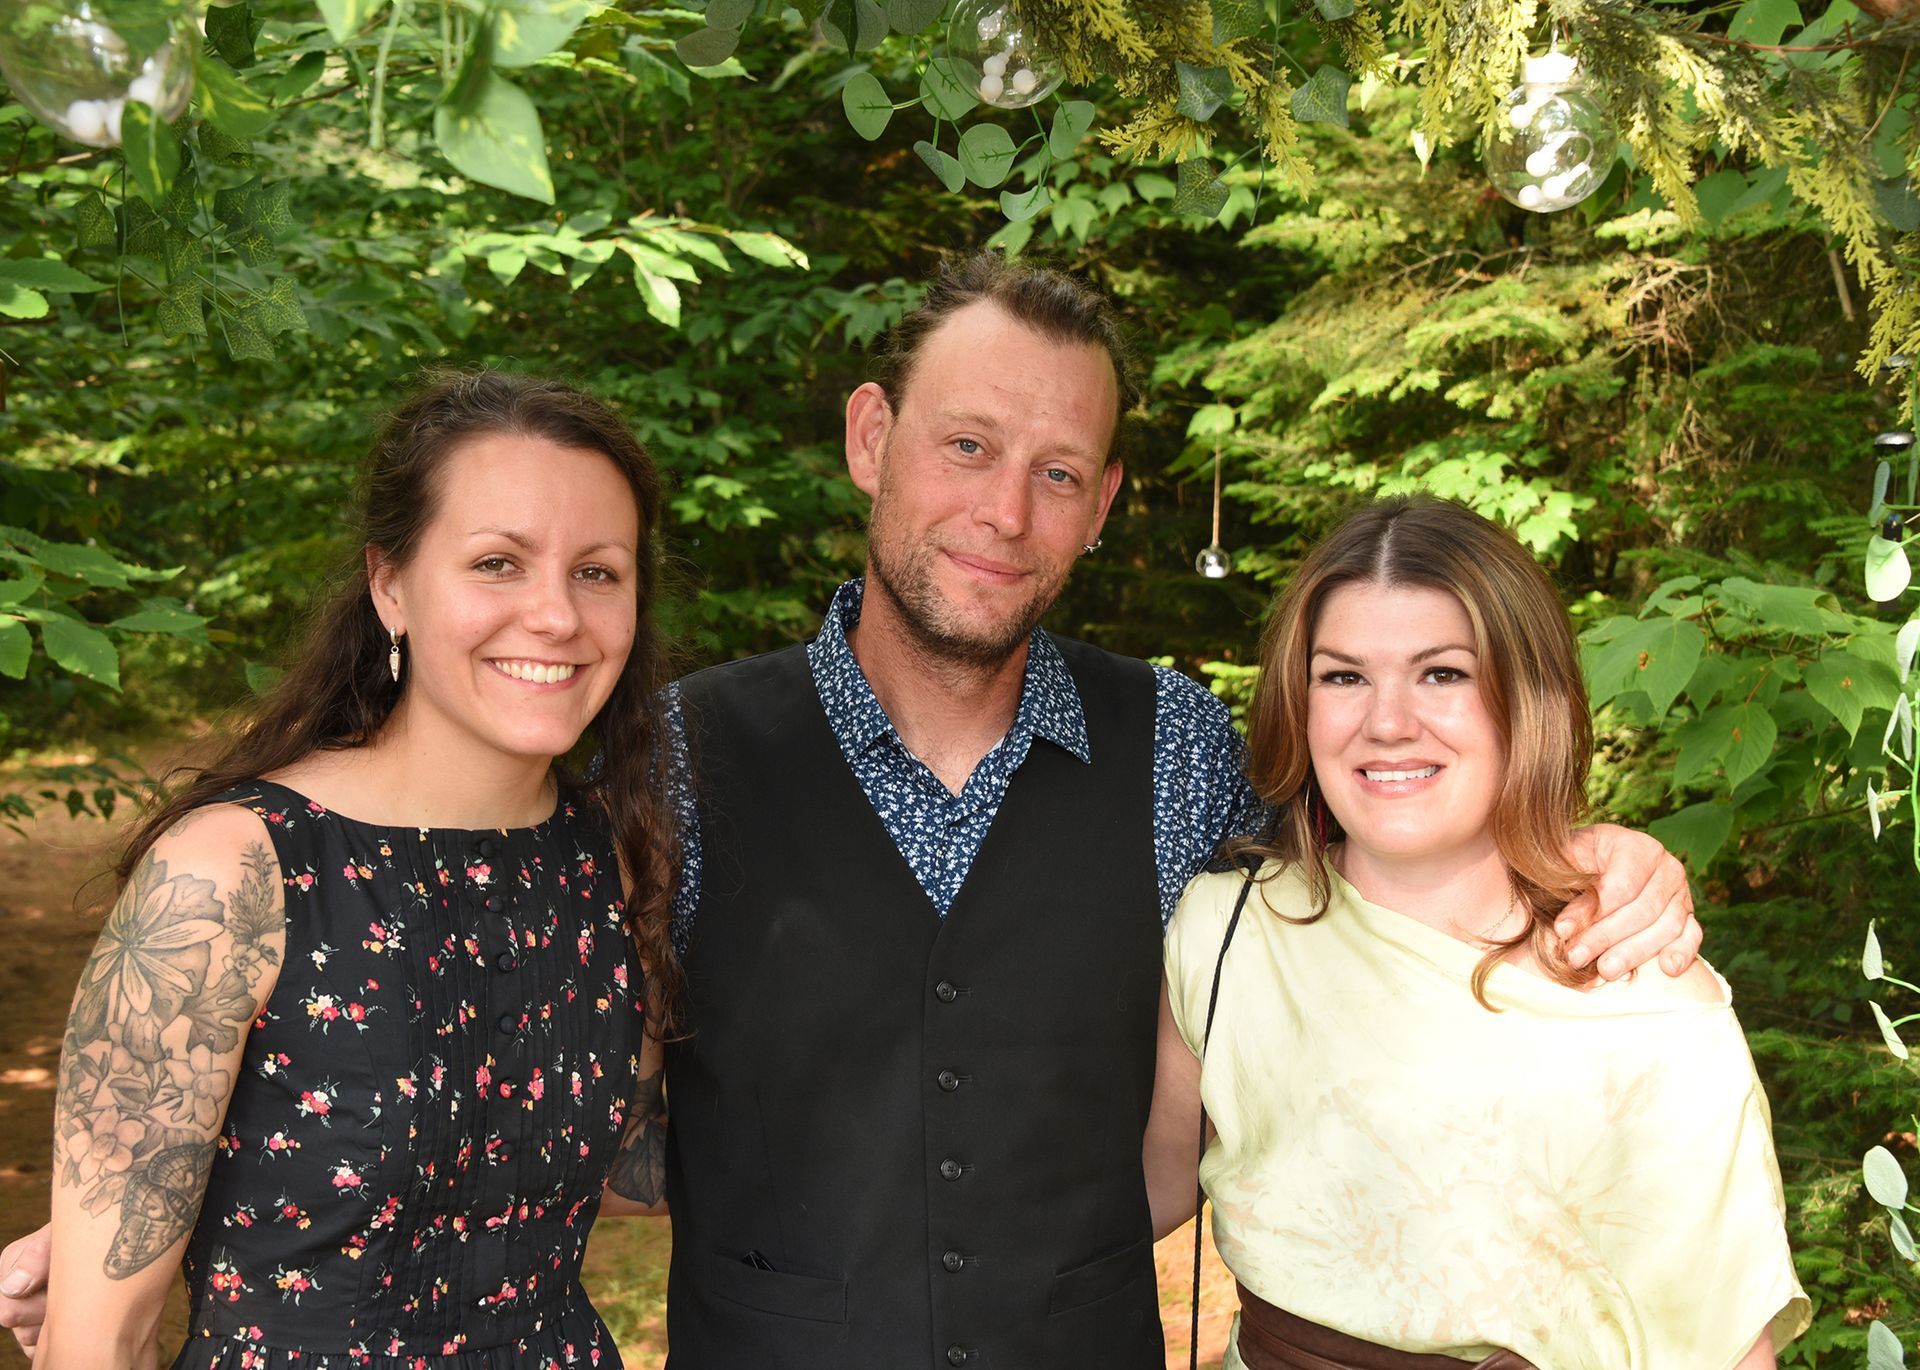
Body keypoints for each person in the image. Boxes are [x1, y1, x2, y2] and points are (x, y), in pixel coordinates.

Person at [4, 254, 1701, 1368]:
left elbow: (1392, 879)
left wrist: (1596, 862)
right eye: (966, 447)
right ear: (872, 438)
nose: (1005, 511)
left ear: (1105, 503)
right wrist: (167, 1203)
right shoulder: (664, 762)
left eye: (1058, 473)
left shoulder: (1178, 749)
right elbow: (517, 1071)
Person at [24, 370, 680, 1369]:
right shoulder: (230, 875)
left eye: (598, 571)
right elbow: (96, 1336)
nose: (555, 615)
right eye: (498, 562)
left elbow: (622, 1157)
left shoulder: (610, 859)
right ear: (390, 585)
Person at [1142, 496, 1809, 1369]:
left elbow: (1725, 1345)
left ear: (1527, 700)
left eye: (1442, 674)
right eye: (1343, 677)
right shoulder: (1225, 931)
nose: (1387, 722)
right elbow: (1140, 1189)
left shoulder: (1640, 984)